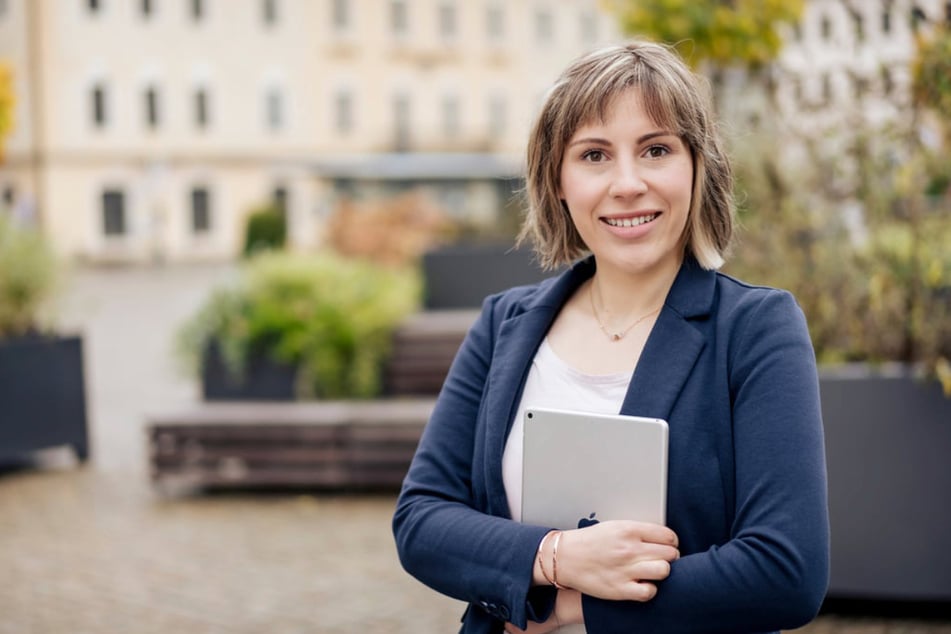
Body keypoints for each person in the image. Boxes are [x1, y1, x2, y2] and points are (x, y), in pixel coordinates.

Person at [392, 40, 829, 634]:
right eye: (594, 155)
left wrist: (568, 606)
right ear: (559, 181)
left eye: (655, 149)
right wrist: (558, 557)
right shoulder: (504, 326)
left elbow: (787, 571)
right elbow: (421, 521)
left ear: (698, 168)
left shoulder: (756, 329)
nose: (627, 183)